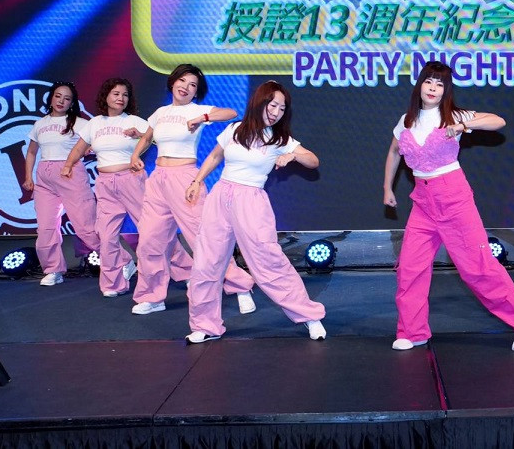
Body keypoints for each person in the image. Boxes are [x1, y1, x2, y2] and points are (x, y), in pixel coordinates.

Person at [383, 61, 514, 352]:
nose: (433, 88)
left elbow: (498, 121)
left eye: (440, 84)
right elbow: (394, 152)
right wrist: (387, 187)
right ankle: (413, 331)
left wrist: (464, 126)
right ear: (420, 85)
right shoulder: (406, 120)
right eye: (429, 81)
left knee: (476, 267)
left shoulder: (453, 115)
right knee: (410, 267)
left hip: (453, 196)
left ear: (446, 90)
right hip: (422, 201)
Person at [184, 81, 325, 344]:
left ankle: (309, 316)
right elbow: (215, 156)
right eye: (273, 105)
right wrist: (197, 181)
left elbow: (313, 160)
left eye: (282, 108)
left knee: (269, 262)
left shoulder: (280, 139)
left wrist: (293, 156)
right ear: (260, 102)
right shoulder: (234, 129)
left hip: (251, 201)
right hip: (220, 197)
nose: (276, 112)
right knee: (206, 262)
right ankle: (205, 325)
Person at [129, 64, 255, 316]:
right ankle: (152, 297)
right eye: (182, 81)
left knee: (204, 238)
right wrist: (134, 155)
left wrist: (203, 117)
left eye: (192, 85)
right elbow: (147, 137)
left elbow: (231, 112)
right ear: (173, 82)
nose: (185, 87)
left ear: (197, 92)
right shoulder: (160, 112)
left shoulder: (197, 110)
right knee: (150, 240)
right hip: (158, 180)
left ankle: (240, 287)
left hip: (186, 179)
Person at [62, 78, 145, 297]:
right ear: (106, 96)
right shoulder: (95, 123)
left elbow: (157, 138)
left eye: (125, 95)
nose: (121, 98)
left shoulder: (134, 121)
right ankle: (112, 284)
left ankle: (182, 272)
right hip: (105, 183)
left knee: (151, 230)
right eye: (116, 94)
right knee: (106, 236)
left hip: (131, 179)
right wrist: (68, 165)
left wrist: (141, 135)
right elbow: (79, 149)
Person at [23, 81, 101, 286]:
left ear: (72, 103)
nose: (61, 101)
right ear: (51, 98)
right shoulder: (40, 124)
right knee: (46, 228)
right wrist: (28, 177)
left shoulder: (80, 123)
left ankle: (119, 261)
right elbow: (31, 152)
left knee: (86, 226)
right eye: (58, 96)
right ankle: (53, 270)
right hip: (44, 176)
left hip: (70, 173)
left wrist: (88, 149)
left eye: (67, 99)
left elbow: (97, 142)